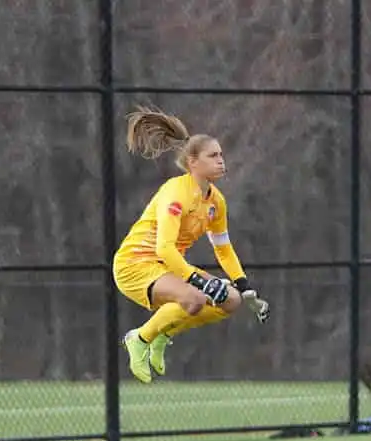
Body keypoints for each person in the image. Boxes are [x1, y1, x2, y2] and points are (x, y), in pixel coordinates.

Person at [112, 105, 271, 383]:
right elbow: (164, 248)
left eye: (221, 155)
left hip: (167, 266)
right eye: (213, 156)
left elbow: (222, 248)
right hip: (135, 265)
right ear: (192, 162)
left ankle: (163, 334)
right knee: (195, 299)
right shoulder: (177, 194)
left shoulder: (216, 201)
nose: (221, 161)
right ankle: (139, 339)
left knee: (231, 301)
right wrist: (197, 280)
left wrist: (243, 285)